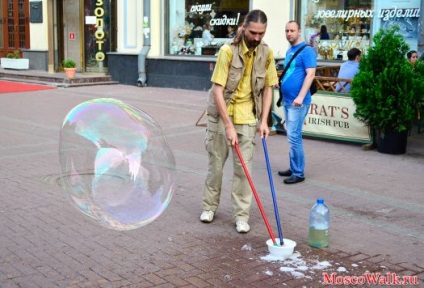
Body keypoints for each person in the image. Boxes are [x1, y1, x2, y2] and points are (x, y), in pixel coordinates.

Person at [200, 10, 278, 233]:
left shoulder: (266, 52)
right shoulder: (227, 51)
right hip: (221, 116)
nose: (256, 37)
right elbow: (217, 90)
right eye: (253, 32)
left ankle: (241, 216)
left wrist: (264, 121)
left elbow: (268, 88)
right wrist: (227, 125)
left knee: (244, 172)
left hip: (247, 117)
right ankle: (209, 207)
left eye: (261, 33)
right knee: (215, 167)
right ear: (244, 27)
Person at [278, 20, 316, 184]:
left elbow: (310, 75)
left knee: (294, 137)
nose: (289, 33)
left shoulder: (307, 51)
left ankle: (298, 172)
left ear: (299, 31)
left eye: (292, 30)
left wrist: (300, 97)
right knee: (291, 135)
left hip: (297, 102)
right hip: (288, 101)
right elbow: (290, 73)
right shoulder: (289, 50)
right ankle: (294, 167)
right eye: (287, 30)